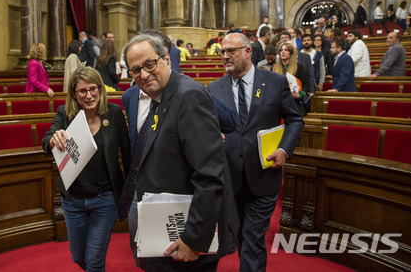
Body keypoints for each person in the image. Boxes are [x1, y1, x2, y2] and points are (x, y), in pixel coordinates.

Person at [120, 33, 239, 272]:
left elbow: (210, 176)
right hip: (164, 226)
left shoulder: (189, 96)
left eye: (149, 64)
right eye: (135, 70)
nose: (143, 75)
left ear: (166, 58)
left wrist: (194, 239)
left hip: (186, 238)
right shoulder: (161, 97)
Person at [207, 33, 304, 272]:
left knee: (251, 237)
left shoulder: (274, 82)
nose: (225, 56)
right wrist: (212, 134)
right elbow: (209, 126)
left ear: (248, 51)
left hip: (264, 175)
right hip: (230, 178)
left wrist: (284, 149)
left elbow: (295, 119)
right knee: (241, 235)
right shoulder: (213, 88)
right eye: (222, 52)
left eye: (231, 51)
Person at [41, 67, 131, 272]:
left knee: (94, 260)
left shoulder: (114, 113)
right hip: (73, 200)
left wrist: (129, 193)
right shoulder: (65, 114)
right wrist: (53, 140)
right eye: (82, 91)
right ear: (74, 93)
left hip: (105, 199)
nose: (89, 95)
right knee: (78, 257)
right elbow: (46, 140)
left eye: (93, 89)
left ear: (100, 89)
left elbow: (126, 154)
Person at [272, 42, 311, 116]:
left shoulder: (299, 67)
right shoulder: (273, 67)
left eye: (286, 50)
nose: (283, 52)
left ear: (291, 53)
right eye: (281, 50)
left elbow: (307, 85)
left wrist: (299, 95)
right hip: (277, 105)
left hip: (294, 104)